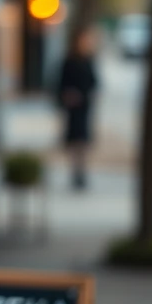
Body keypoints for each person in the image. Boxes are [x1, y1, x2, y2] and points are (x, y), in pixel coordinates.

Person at [58, 29, 98, 189]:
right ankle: (75, 172)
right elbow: (60, 84)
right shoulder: (68, 61)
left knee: (83, 141)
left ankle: (82, 172)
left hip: (84, 107)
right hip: (72, 109)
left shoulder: (88, 61)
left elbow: (94, 82)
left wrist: (85, 95)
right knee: (74, 141)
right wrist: (67, 95)